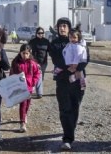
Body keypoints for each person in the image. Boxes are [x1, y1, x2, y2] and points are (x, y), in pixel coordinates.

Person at [49, 17, 89, 150]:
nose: (62, 28)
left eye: (65, 25)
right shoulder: (54, 44)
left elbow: (86, 56)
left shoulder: (78, 39)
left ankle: (70, 128)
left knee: (75, 106)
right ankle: (67, 138)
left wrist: (78, 68)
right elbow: (56, 59)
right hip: (63, 80)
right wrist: (70, 67)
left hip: (77, 80)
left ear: (69, 27)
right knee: (65, 108)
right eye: (60, 26)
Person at [9, 44, 40, 132]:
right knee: (23, 104)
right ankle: (22, 123)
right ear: (20, 53)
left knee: (28, 103)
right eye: (23, 53)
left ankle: (25, 114)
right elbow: (11, 73)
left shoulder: (33, 63)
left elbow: (37, 73)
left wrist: (33, 82)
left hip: (29, 87)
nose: (25, 55)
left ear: (30, 54)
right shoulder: (15, 62)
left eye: (27, 53)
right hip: (20, 87)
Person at [62, 23, 87, 90]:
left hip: (78, 62)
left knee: (78, 72)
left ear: (79, 38)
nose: (72, 39)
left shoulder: (78, 46)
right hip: (71, 62)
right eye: (70, 37)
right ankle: (74, 78)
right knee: (73, 72)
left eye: (74, 37)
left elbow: (77, 56)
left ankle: (82, 83)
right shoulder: (70, 44)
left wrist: (74, 66)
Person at [28, 27, 50, 99]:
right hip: (35, 62)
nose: (40, 34)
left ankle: (36, 89)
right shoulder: (33, 41)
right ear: (36, 33)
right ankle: (39, 93)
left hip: (44, 62)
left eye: (42, 33)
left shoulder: (46, 41)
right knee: (38, 75)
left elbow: (50, 50)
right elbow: (27, 50)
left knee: (41, 76)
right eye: (39, 33)